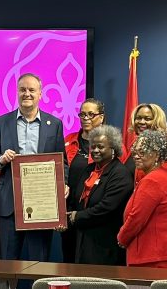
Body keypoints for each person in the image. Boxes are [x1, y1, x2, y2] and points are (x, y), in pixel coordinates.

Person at [0, 74, 68, 262]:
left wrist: (64, 184)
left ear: (40, 94)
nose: (27, 94)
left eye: (32, 90)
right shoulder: (2, 121)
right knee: (8, 264)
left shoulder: (54, 124)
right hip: (10, 203)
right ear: (17, 92)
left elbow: (61, 161)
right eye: (23, 90)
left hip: (41, 203)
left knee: (39, 262)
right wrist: (2, 159)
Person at [64, 124, 133, 266]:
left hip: (105, 245)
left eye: (100, 147)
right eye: (93, 146)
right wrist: (65, 219)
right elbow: (76, 199)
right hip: (82, 241)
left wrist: (76, 216)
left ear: (113, 149)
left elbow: (106, 208)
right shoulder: (89, 169)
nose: (95, 150)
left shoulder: (120, 174)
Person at [116, 130, 167, 268]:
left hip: (153, 257)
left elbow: (137, 218)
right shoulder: (159, 175)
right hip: (156, 254)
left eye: (143, 152)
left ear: (157, 155)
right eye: (135, 151)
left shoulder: (153, 180)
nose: (136, 156)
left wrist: (122, 237)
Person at [62, 98, 106, 261]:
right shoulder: (68, 139)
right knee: (69, 257)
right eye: (82, 114)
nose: (85, 118)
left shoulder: (111, 144)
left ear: (101, 117)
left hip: (93, 212)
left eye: (91, 114)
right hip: (68, 210)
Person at [121, 103, 167, 180]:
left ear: (157, 121)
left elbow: (161, 179)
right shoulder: (137, 141)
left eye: (147, 119)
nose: (141, 122)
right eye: (138, 118)